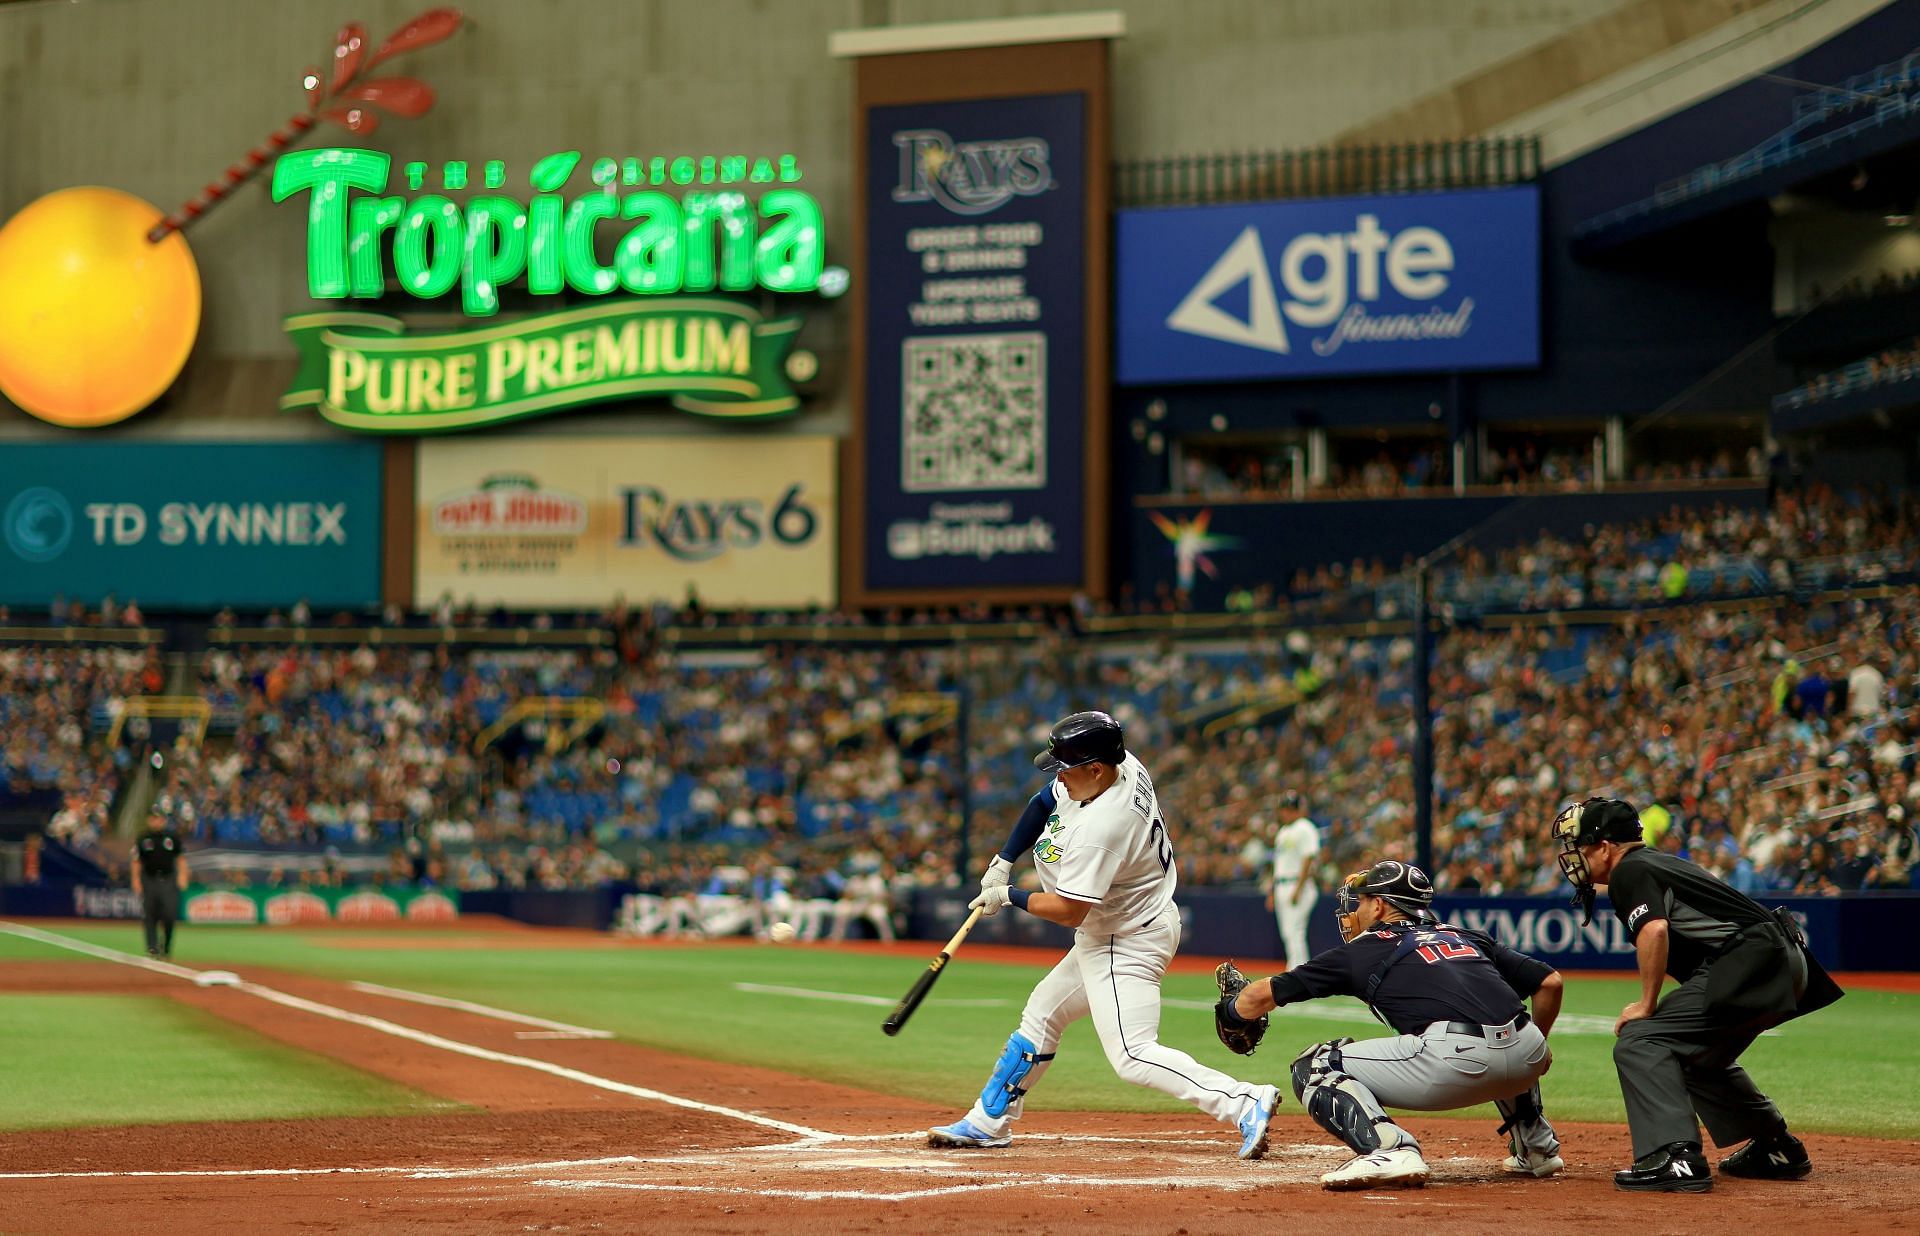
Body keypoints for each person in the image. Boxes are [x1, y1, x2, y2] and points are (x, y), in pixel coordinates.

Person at [926, 710, 1281, 1160]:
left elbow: (1072, 910)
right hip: (1123, 926)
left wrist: (1009, 896)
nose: (1061, 777)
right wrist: (1004, 857)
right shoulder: (1116, 765)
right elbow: (1042, 802)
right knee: (1043, 1012)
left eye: (1067, 768)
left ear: (1095, 768)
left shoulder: (1104, 826)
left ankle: (1242, 1102)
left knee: (1132, 1054)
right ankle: (988, 1120)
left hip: (1124, 937)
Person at [1553, 797, 1845, 1192]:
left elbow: (1653, 930)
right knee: (1695, 1055)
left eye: (1580, 848)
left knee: (1641, 1039)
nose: (1574, 859)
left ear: (1605, 846)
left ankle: (1677, 1157)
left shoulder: (1630, 870)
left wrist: (1646, 1004)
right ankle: (1777, 1149)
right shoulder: (1657, 862)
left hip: (1753, 959)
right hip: (1781, 958)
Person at [1214, 860, 1563, 1190]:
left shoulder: (1363, 950)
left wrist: (1231, 1011)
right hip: (1528, 1056)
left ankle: (1389, 1149)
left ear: (1380, 906)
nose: (1355, 910)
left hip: (1456, 1063)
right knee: (1506, 1024)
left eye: (1362, 901)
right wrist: (1538, 1048)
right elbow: (1550, 983)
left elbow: (1262, 996)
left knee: (1315, 1065)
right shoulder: (1464, 935)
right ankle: (1537, 1149)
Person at [1267, 807, 1321, 967]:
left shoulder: (1305, 827)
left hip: (1298, 884)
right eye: (1283, 808)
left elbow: (1308, 858)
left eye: (1289, 808)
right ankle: (1298, 972)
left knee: (1295, 932)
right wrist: (1272, 891)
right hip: (1282, 885)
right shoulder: (1283, 831)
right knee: (1288, 933)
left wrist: (1299, 887)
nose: (1285, 812)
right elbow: (1278, 864)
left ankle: (1297, 973)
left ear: (1297, 810)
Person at [131, 810, 188, 959]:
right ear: (149, 820)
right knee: (149, 914)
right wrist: (136, 880)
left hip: (168, 879)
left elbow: (180, 858)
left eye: (159, 819)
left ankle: (166, 946)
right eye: (153, 819)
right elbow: (136, 861)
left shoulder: (172, 837)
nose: (156, 822)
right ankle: (152, 947)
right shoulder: (143, 838)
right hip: (149, 879)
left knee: (169, 913)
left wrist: (183, 875)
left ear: (163, 820)